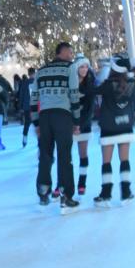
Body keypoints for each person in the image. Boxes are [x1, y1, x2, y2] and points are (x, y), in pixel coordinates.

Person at [34, 42, 82, 211]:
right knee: (64, 156)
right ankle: (66, 195)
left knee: (45, 155)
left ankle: (43, 192)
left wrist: (36, 122)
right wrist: (77, 121)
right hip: (63, 115)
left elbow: (34, 97)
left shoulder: (41, 71)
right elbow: (74, 94)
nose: (71, 55)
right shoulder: (70, 68)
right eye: (69, 51)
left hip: (45, 116)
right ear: (60, 52)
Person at [94, 57, 135, 205]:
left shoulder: (107, 85)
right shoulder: (132, 84)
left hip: (109, 128)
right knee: (125, 160)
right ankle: (126, 192)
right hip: (125, 126)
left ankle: (106, 194)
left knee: (107, 162)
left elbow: (93, 90)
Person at [72, 59, 98, 197]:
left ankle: (82, 183)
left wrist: (80, 126)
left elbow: (90, 110)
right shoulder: (70, 84)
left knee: (83, 154)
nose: (84, 69)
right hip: (69, 124)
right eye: (81, 67)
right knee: (65, 156)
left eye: (86, 67)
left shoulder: (90, 84)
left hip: (84, 124)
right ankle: (61, 184)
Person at [18, 69, 34, 146]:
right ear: (34, 73)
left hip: (27, 106)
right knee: (39, 123)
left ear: (28, 74)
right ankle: (40, 140)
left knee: (27, 123)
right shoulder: (37, 81)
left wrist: (21, 106)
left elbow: (21, 95)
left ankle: (25, 138)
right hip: (37, 106)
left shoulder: (24, 83)